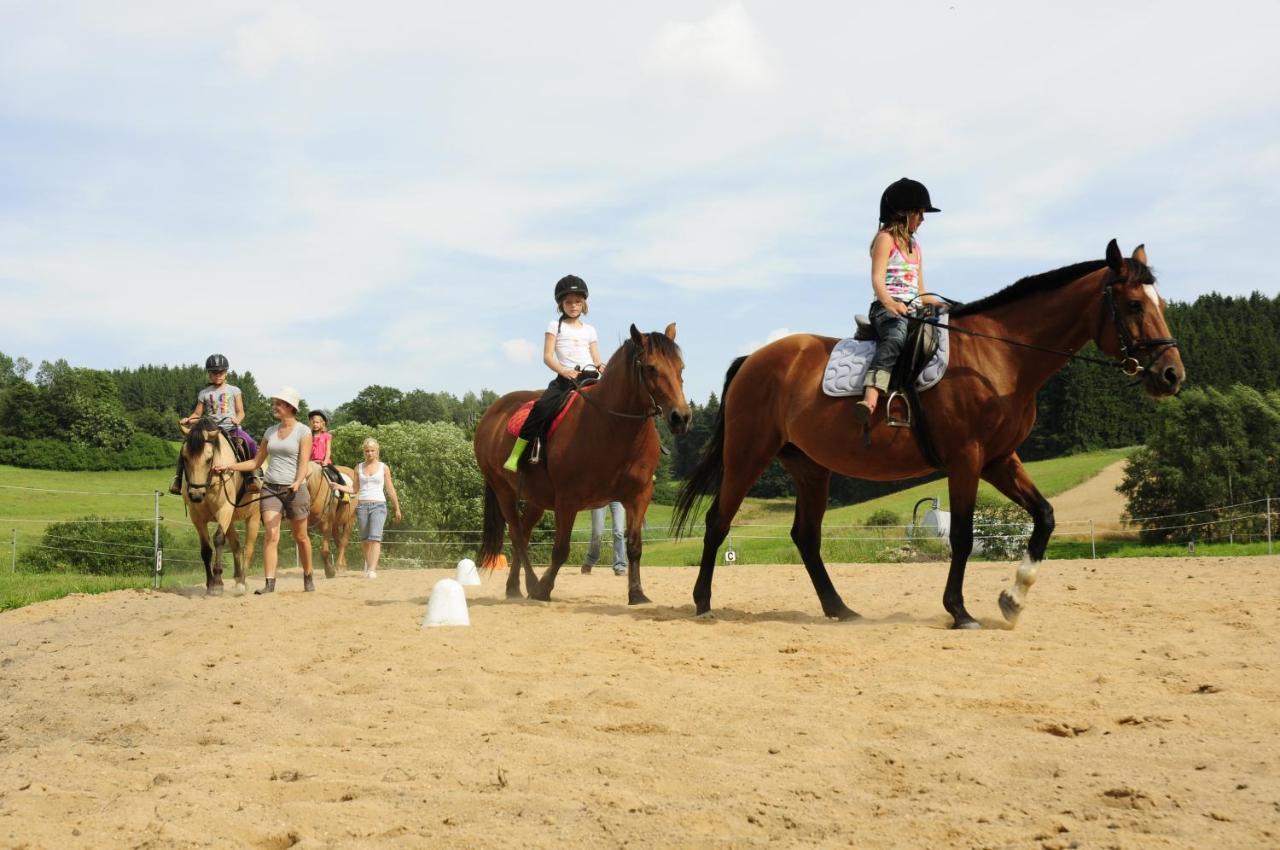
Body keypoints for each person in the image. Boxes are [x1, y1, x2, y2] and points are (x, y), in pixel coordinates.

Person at [855, 178, 944, 424]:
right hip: (887, 308)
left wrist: (945, 305)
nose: (923, 219)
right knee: (896, 336)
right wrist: (890, 304)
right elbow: (877, 281)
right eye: (919, 213)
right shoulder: (885, 239)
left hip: (913, 308)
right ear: (903, 213)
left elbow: (921, 290)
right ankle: (871, 395)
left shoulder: (916, 247)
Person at [215, 387, 315, 594]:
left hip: (295, 489)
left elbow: (304, 463)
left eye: (279, 403)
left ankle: (308, 575)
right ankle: (270, 583)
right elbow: (255, 461)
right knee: (271, 534)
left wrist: (297, 482)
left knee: (301, 537)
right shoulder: (270, 432)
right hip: (270, 487)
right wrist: (229, 466)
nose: (275, 407)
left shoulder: (303, 431)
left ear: (290, 407)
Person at [503, 275, 605, 472]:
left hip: (591, 378)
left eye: (577, 301)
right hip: (566, 378)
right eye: (568, 302)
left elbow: (595, 358)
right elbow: (548, 357)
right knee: (541, 408)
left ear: (583, 303)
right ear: (561, 304)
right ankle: (516, 455)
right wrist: (563, 371)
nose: (573, 305)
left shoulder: (590, 330)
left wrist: (601, 366)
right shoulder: (555, 326)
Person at [169, 353, 258, 494]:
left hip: (230, 428)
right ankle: (178, 479)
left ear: (226, 372)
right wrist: (188, 420)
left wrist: (237, 420)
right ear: (209, 374)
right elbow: (197, 415)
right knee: (186, 446)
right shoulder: (204, 393)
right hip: (210, 430)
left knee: (250, 442)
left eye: (221, 372)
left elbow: (241, 412)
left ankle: (251, 477)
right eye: (214, 372)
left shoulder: (234, 390)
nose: (218, 375)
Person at [328, 437, 402, 578]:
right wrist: (338, 486)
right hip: (362, 506)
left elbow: (390, 489)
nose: (369, 453)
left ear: (377, 452)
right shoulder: (358, 467)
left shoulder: (383, 468)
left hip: (378, 505)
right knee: (365, 540)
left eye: (372, 450)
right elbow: (354, 489)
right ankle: (370, 567)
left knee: (375, 538)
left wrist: (397, 507)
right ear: (364, 452)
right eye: (367, 451)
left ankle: (372, 569)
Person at [582, 501, 627, 576]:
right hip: (600, 496)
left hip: (617, 496)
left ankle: (620, 566)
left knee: (619, 532)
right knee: (597, 533)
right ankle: (589, 561)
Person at [306, 409, 344, 491]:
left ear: (322, 423)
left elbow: (328, 451)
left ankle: (343, 493)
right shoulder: (308, 436)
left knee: (335, 475)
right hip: (311, 462)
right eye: (313, 422)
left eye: (317, 422)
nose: (315, 424)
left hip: (323, 462)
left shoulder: (327, 435)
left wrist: (326, 461)